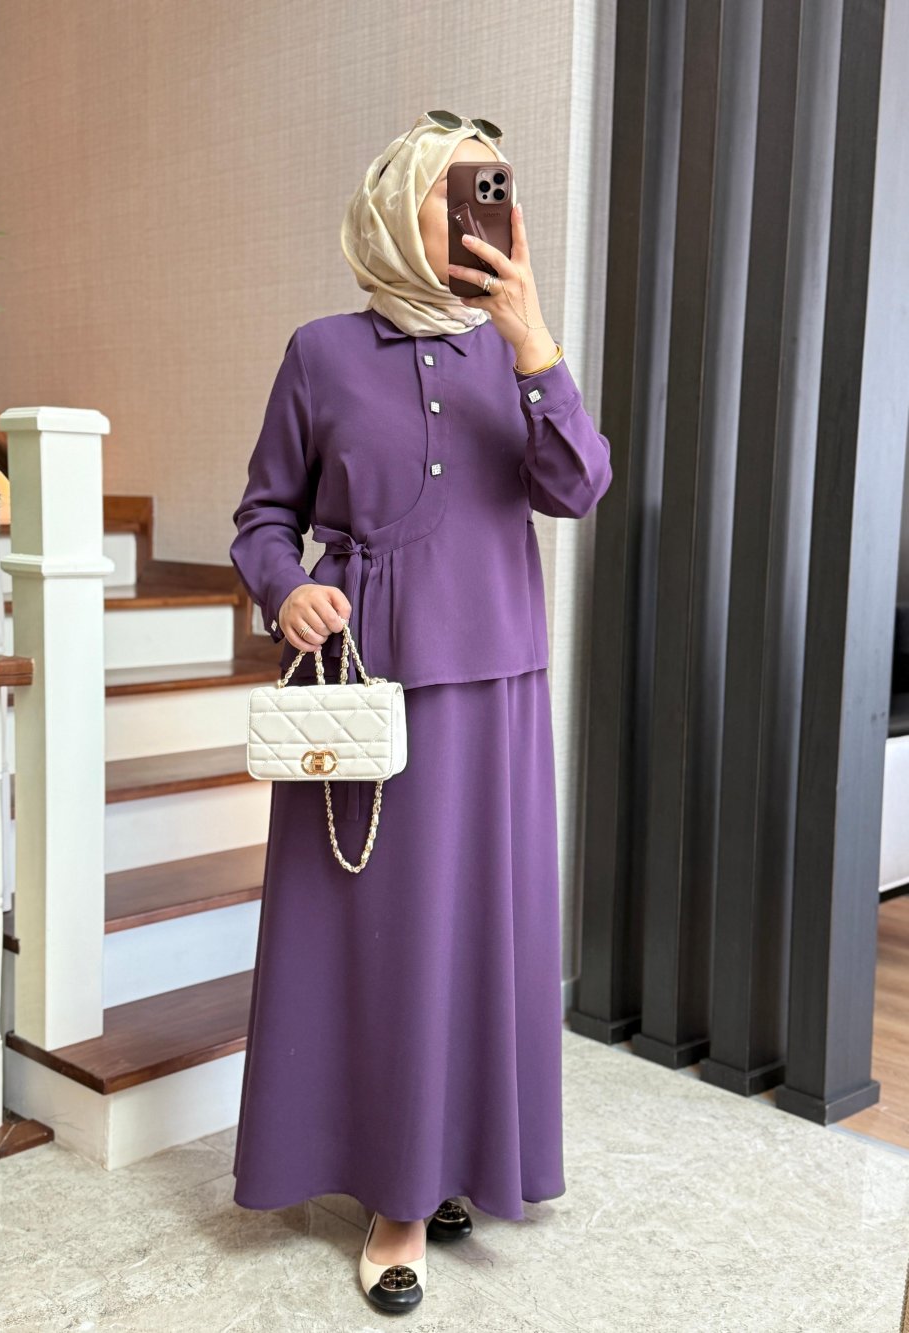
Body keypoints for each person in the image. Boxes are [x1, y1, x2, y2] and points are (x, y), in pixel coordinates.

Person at [228, 111, 613, 1315]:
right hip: (364, 693)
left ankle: (459, 1164)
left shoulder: (514, 353)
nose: (472, 219)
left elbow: (577, 486)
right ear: (400, 209)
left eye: (488, 195)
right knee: (379, 943)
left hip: (494, 693)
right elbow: (262, 516)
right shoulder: (321, 352)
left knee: (477, 937)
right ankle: (395, 1194)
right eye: (452, 196)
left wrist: (535, 340)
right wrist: (286, 590)